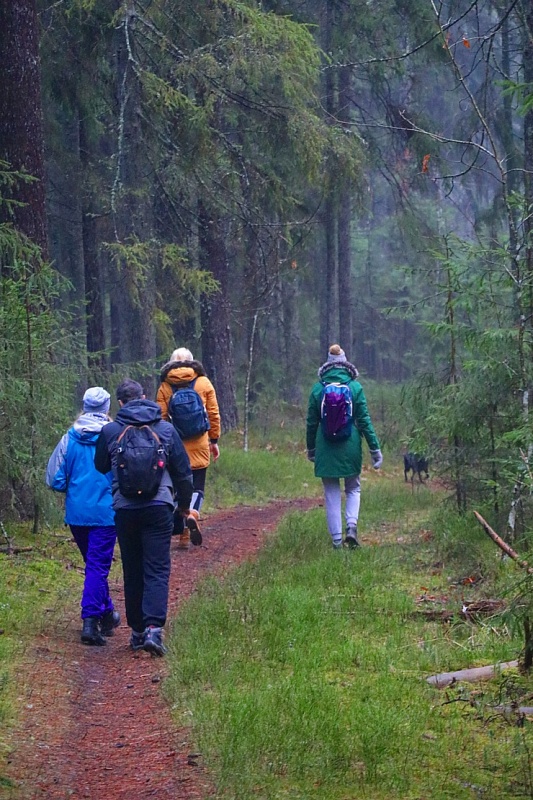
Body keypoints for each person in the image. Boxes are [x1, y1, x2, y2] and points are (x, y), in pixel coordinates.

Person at [94, 379, 193, 656]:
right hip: (159, 507)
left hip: (125, 509)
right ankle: (153, 630)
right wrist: (184, 506)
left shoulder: (111, 430)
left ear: (121, 403)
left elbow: (100, 464)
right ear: (146, 397)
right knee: (157, 568)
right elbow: (184, 473)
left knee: (133, 568)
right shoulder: (166, 429)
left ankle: (137, 632)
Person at [46, 387, 119, 647]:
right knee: (97, 567)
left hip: (77, 514)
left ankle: (108, 613)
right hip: (106, 514)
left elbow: (54, 478)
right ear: (107, 407)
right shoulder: (114, 436)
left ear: (85, 406)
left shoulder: (70, 437)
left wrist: (74, 487)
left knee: (93, 566)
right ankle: (90, 621)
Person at [306, 344, 383, 549]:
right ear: (345, 362)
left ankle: (337, 542)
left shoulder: (317, 389)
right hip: (350, 446)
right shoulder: (355, 388)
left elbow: (311, 423)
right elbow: (364, 420)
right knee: (353, 488)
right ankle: (351, 527)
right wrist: (375, 449)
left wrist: (311, 449)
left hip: (325, 447)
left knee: (331, 493)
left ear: (328, 364)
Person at [156, 347, 221, 550]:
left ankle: (176, 532)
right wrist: (214, 439)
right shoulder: (203, 382)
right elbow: (213, 413)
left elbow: (161, 419)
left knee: (176, 488)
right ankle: (192, 516)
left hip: (174, 445)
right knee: (197, 486)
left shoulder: (165, 386)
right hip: (200, 441)